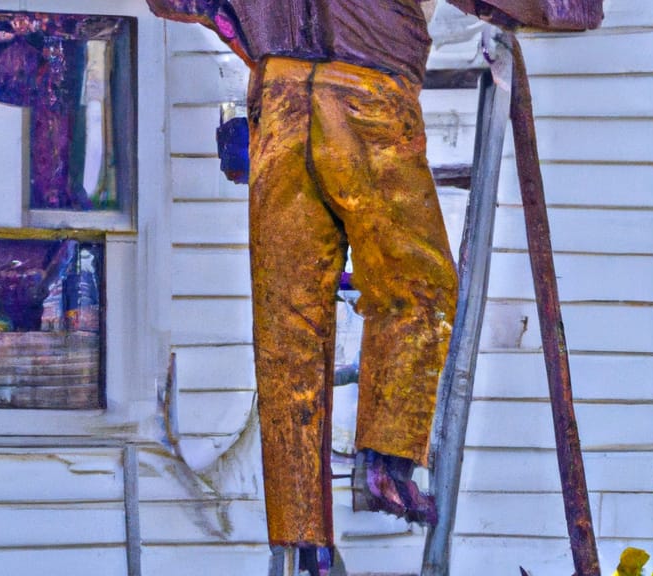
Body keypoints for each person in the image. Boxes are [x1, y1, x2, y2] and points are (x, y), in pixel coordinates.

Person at [144, 0, 459, 565]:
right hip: (370, 96)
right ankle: (387, 459)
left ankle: (302, 533)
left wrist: (246, 31)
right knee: (417, 286)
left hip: (280, 102)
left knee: (287, 329)